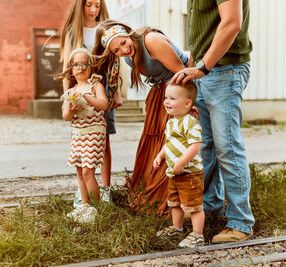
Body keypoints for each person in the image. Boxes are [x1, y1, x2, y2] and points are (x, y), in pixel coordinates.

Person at [172, 0, 255, 243]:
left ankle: (241, 222)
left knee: (227, 147)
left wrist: (203, 67)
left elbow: (231, 23)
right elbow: (202, 34)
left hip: (224, 70)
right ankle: (210, 208)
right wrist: (193, 69)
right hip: (204, 72)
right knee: (204, 146)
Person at [93, 19, 190, 214]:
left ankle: (175, 200)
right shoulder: (129, 58)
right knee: (153, 143)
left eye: (122, 42)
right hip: (163, 91)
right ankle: (154, 198)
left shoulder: (151, 40)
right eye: (116, 51)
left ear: (128, 34)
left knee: (172, 142)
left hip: (181, 88)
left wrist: (182, 108)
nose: (123, 50)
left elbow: (183, 72)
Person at [58, 0, 122, 207]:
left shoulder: (105, 29)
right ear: (80, 6)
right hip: (79, 91)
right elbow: (67, 65)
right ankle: (84, 189)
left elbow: (114, 62)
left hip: (101, 89)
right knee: (80, 139)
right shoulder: (71, 32)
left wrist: (117, 92)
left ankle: (105, 188)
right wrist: (66, 98)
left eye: (97, 5)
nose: (93, 10)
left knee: (104, 140)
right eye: (89, 5)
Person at [55, 48, 109, 223]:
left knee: (88, 171)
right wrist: (70, 109)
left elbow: (104, 104)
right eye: (76, 64)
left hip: (94, 131)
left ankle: (96, 209)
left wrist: (87, 97)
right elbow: (65, 117)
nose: (81, 67)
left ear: (91, 67)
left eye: (85, 63)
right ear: (71, 69)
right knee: (79, 171)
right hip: (78, 133)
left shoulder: (96, 86)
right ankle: (84, 206)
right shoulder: (70, 92)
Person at [153, 81, 205, 248]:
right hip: (174, 172)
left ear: (187, 103)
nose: (166, 101)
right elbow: (169, 143)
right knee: (174, 202)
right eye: (166, 97)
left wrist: (181, 163)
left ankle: (198, 234)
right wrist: (160, 155)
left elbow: (195, 146)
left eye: (172, 98)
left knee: (194, 205)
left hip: (190, 173)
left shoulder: (191, 123)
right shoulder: (171, 122)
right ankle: (177, 228)